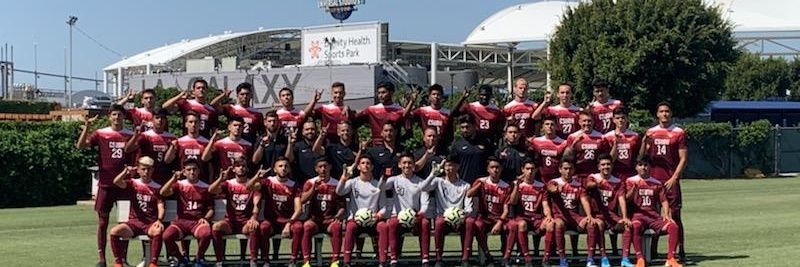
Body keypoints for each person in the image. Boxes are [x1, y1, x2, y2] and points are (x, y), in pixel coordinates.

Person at [75, 104, 134, 267]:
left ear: (124, 117)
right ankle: (102, 259)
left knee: (124, 223)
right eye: (114, 114)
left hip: (124, 186)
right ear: (109, 117)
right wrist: (87, 127)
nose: (117, 117)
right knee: (102, 222)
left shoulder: (131, 134)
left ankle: (122, 259)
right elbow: (80, 146)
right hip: (106, 185)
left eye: (120, 114)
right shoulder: (101, 133)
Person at [641, 101, 688, 260]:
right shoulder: (651, 132)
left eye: (667, 111)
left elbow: (683, 158)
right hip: (654, 180)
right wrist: (644, 143)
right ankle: (652, 249)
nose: (664, 114)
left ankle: (679, 249)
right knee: (654, 215)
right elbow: (643, 157)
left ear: (671, 113)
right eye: (661, 111)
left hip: (670, 180)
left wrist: (674, 177)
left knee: (675, 215)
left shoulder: (678, 132)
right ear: (657, 114)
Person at [622, 156, 683, 267]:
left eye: (646, 165)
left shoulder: (656, 182)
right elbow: (626, 199)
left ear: (650, 167)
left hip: (653, 217)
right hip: (638, 216)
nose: (643, 168)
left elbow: (664, 200)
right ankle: (640, 258)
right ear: (636, 167)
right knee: (635, 226)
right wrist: (633, 190)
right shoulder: (630, 181)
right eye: (640, 165)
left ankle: (671, 258)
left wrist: (666, 214)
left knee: (673, 226)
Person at [380, 153, 439, 266]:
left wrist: (420, 214)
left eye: (410, 163)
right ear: (399, 165)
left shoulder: (420, 182)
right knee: (392, 223)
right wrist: (384, 177)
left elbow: (425, 203)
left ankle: (425, 258)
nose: (407, 165)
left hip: (415, 217)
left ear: (414, 165)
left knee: (425, 223)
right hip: (399, 217)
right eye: (404, 163)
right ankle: (393, 258)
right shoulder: (394, 180)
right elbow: (381, 187)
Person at [246, 157, 304, 266]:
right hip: (271, 221)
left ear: (289, 169)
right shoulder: (268, 182)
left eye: (286, 166)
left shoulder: (294, 185)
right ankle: (265, 260)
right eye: (280, 166)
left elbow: (299, 209)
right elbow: (249, 187)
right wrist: (256, 177)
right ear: (275, 169)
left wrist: (289, 224)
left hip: (288, 221)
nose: (283, 168)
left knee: (298, 227)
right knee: (263, 227)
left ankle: (293, 260)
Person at [108, 156, 164, 267]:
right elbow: (116, 181)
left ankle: (153, 263)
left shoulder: (157, 187)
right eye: (143, 169)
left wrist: (159, 219)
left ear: (152, 170)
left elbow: (160, 205)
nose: (146, 172)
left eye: (149, 169)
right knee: (114, 231)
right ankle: (119, 263)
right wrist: (125, 172)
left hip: (149, 224)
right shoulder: (133, 183)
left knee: (157, 231)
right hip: (133, 223)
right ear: (138, 169)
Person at [335, 156, 390, 267]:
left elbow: (384, 207)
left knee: (383, 227)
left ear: (372, 167)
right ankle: (347, 262)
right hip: (356, 220)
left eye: (368, 163)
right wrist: (344, 178)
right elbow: (339, 191)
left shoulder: (378, 185)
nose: (366, 165)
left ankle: (383, 261)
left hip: (373, 221)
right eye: (363, 163)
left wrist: (378, 215)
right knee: (350, 227)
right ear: (358, 167)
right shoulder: (352, 182)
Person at [160, 159, 214, 267]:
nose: (192, 172)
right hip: (181, 221)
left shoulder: (205, 187)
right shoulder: (179, 184)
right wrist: (173, 179)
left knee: (206, 233)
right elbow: (163, 192)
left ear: (199, 171)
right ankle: (181, 259)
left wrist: (206, 218)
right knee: (167, 236)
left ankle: (199, 259)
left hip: (197, 222)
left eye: (194, 169)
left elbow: (211, 209)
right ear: (184, 172)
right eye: (188, 169)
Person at [208, 157, 260, 267]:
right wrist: (220, 179)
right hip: (230, 222)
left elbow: (257, 203)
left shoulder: (252, 184)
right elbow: (211, 190)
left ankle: (253, 260)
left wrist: (253, 217)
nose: (241, 168)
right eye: (238, 166)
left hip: (245, 222)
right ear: (233, 169)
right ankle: (219, 261)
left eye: (243, 166)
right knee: (216, 226)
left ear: (247, 169)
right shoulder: (228, 184)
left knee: (253, 226)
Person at [464, 157, 514, 267]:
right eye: (492, 167)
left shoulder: (506, 186)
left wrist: (499, 223)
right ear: (488, 169)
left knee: (513, 225)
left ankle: (506, 258)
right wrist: (478, 185)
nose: (495, 170)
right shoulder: (481, 181)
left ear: (501, 169)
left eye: (497, 167)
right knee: (477, 225)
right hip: (484, 217)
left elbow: (506, 209)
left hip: (499, 218)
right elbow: (469, 194)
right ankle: (487, 256)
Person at [581, 154, 629, 267]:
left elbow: (621, 199)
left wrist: (624, 217)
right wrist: (598, 183)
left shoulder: (618, 181)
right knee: (598, 225)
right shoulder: (593, 177)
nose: (606, 167)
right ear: (598, 167)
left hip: (611, 215)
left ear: (612, 166)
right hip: (597, 214)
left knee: (627, 226)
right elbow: (589, 185)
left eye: (608, 164)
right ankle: (597, 258)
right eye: (603, 165)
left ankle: (625, 259)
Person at [426, 155, 474, 267]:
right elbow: (423, 188)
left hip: (460, 218)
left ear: (458, 167)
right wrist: (433, 174)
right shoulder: (438, 181)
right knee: (439, 222)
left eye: (451, 165)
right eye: (446, 165)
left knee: (470, 222)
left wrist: (463, 215)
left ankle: (465, 258)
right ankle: (438, 258)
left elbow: (469, 207)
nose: (448, 168)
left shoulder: (465, 185)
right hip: (443, 218)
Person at [299, 158, 346, 267]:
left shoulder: (336, 184)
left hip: (330, 220)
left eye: (325, 166)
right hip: (314, 220)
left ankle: (335, 261)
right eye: (320, 167)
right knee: (307, 226)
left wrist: (339, 215)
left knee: (337, 227)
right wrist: (313, 189)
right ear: (316, 169)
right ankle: (306, 262)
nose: (323, 169)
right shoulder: (310, 182)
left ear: (330, 167)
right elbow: (302, 199)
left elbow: (342, 206)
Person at [545, 160, 594, 267]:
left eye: (570, 168)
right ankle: (562, 258)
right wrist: (555, 190)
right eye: (565, 169)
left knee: (591, 224)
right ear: (560, 169)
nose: (568, 171)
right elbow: (550, 188)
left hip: (574, 216)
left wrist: (589, 215)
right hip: (559, 215)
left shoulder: (578, 185)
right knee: (558, 224)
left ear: (574, 170)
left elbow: (584, 201)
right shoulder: (554, 182)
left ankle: (590, 259)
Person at [505, 159, 552, 267]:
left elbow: (545, 205)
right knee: (522, 224)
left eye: (532, 169)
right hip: (522, 217)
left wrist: (548, 216)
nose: (530, 171)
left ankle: (546, 259)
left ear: (536, 170)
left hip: (536, 219)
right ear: (523, 170)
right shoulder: (517, 185)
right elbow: (512, 202)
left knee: (550, 224)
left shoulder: (541, 186)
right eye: (527, 169)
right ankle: (527, 259)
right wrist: (517, 186)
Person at [125, 109, 177, 184]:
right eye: (157, 118)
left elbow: (168, 160)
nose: (160, 120)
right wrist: (135, 136)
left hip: (164, 176)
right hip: (147, 175)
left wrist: (172, 147)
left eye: (162, 118)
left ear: (166, 120)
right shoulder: (145, 136)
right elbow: (128, 149)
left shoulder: (172, 138)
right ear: (152, 120)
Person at [164, 113, 212, 182]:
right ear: (186, 124)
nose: (193, 124)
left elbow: (210, 166)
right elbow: (167, 160)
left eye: (196, 122)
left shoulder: (207, 143)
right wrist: (172, 147)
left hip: (201, 182)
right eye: (190, 122)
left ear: (200, 124)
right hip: (182, 181)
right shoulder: (179, 142)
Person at [564, 111, 609, 179]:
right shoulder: (573, 137)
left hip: (595, 174)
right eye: (584, 121)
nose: (587, 123)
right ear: (579, 122)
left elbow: (605, 157)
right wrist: (574, 143)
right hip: (578, 174)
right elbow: (566, 157)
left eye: (589, 121)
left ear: (593, 122)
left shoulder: (601, 137)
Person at [450, 114, 494, 183]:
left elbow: (491, 161)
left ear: (474, 126)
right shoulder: (457, 144)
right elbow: (452, 164)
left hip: (482, 183)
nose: (465, 130)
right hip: (463, 184)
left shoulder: (485, 141)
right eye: (462, 127)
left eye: (467, 127)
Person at [529, 116, 568, 183]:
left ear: (556, 127)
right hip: (540, 178)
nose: (549, 126)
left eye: (552, 124)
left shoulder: (563, 143)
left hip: (557, 177)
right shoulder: (536, 141)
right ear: (543, 126)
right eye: (547, 124)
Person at [604, 109, 640, 179]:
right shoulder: (607, 137)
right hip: (614, 174)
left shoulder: (635, 136)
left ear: (627, 119)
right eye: (617, 118)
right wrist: (615, 145)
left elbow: (639, 156)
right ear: (613, 120)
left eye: (623, 118)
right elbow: (608, 159)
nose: (620, 120)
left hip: (631, 173)